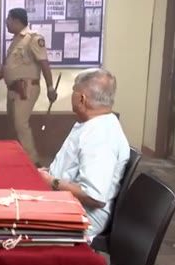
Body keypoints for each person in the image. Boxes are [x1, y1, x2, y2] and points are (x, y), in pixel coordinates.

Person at [38, 68, 130, 240]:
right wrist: (50, 173)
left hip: (82, 215)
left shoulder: (101, 136)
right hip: (64, 200)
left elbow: (94, 197)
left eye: (74, 90)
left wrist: (51, 181)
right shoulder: (92, 123)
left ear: (82, 99)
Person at [0, 8, 57, 166]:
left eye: (8, 20)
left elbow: (44, 63)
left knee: (20, 124)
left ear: (17, 21)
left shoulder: (33, 39)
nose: (6, 23)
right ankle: (17, 159)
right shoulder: (16, 40)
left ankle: (33, 162)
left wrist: (50, 87)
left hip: (27, 88)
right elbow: (6, 68)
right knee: (13, 125)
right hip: (13, 89)